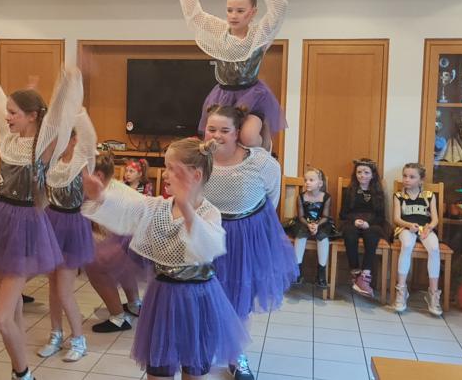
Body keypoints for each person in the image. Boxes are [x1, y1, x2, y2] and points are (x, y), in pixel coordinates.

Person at [0, 38, 83, 380]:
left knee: (0, 317)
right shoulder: (8, 137)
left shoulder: (43, 146)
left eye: (14, 113)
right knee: (10, 312)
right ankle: (20, 369)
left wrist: (68, 81)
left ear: (31, 116)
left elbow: (59, 115)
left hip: (24, 226)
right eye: (8, 111)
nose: (7, 116)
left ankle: (23, 373)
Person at [82, 137, 248, 380]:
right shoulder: (158, 207)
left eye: (172, 169)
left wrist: (186, 207)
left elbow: (206, 247)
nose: (165, 174)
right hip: (162, 297)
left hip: (197, 300)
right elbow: (130, 204)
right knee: (159, 368)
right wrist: (101, 196)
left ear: (196, 176)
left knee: (193, 370)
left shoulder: (210, 213)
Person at [203, 105, 293, 380]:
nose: (216, 135)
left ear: (237, 133)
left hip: (246, 239)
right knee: (205, 296)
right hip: (208, 236)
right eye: (211, 129)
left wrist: (251, 227)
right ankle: (203, 348)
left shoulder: (261, 162)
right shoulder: (198, 159)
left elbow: (271, 198)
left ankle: (237, 355)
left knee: (240, 300)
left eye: (224, 130)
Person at [180, 0, 288, 150]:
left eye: (240, 11)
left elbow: (279, 7)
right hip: (223, 94)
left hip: (253, 95)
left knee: (247, 137)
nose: (233, 15)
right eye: (229, 10)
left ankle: (264, 146)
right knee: (217, 140)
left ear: (252, 12)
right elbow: (192, 11)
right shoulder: (219, 31)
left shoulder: (259, 35)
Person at [38, 111, 97, 362]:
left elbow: (89, 137)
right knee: (52, 286)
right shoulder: (51, 163)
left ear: (74, 139)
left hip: (73, 227)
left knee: (64, 290)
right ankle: (56, 334)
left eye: (65, 137)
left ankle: (79, 339)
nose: (59, 142)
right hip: (51, 222)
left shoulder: (82, 162)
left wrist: (76, 107)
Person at [84, 151, 145, 333]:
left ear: (98, 175)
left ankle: (118, 317)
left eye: (83, 175)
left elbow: (102, 231)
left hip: (134, 239)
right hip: (135, 238)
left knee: (95, 266)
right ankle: (134, 304)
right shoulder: (115, 187)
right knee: (123, 266)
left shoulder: (107, 196)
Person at [391, 163, 442, 315]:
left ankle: (433, 293)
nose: (407, 179)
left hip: (424, 228)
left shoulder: (429, 196)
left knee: (434, 248)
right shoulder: (399, 196)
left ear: (421, 180)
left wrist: (429, 227)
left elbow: (435, 219)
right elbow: (396, 218)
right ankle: (401, 291)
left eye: (412, 177)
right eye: (405, 176)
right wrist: (408, 225)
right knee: (407, 245)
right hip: (406, 228)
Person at [340, 158, 387, 299]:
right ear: (355, 174)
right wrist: (354, 221)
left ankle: (365, 275)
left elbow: (381, 216)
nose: (362, 175)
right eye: (359, 172)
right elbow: (343, 214)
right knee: (349, 233)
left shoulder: (378, 193)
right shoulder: (349, 191)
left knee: (372, 235)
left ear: (373, 175)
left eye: (366, 172)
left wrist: (368, 223)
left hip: (372, 223)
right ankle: (355, 272)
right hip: (352, 222)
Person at [291, 167, 333, 289]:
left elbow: (325, 216)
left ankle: (321, 274)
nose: (307, 182)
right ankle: (297, 272)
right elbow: (300, 216)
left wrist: (317, 225)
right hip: (304, 222)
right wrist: (309, 225)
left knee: (323, 237)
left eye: (311, 180)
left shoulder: (326, 197)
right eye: (305, 180)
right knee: (300, 235)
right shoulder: (301, 197)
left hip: (321, 223)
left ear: (320, 183)